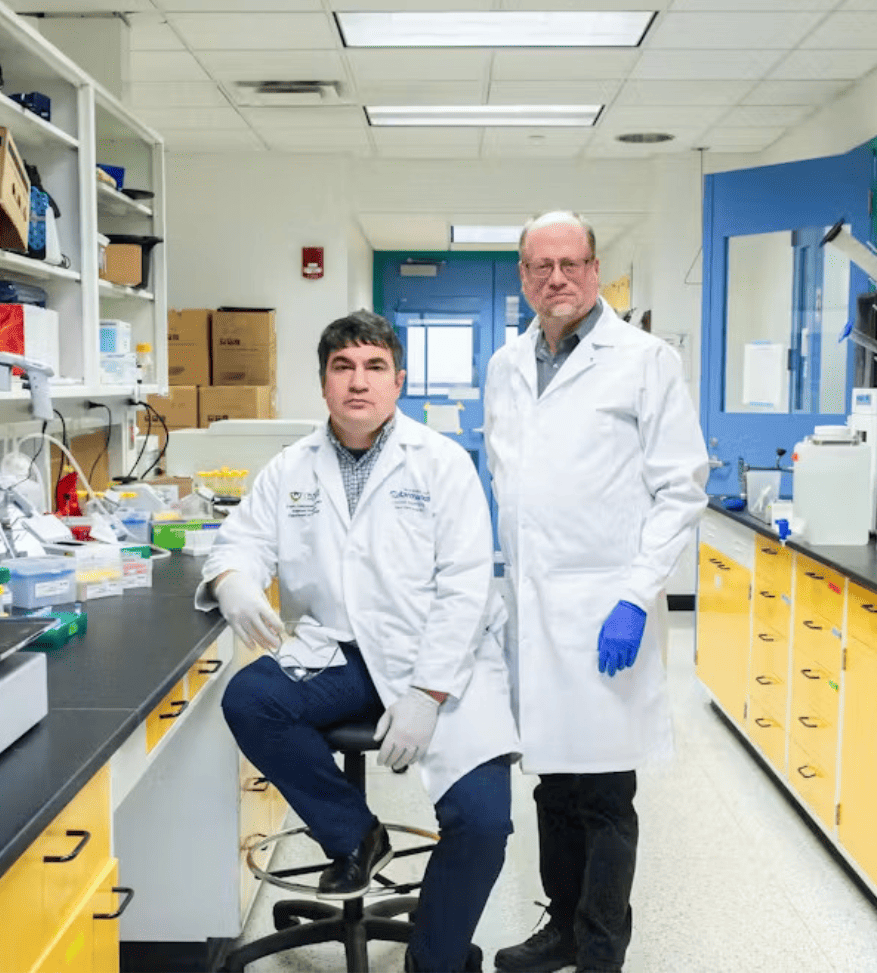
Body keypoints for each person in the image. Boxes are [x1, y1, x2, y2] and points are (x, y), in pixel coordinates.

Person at [198, 310, 519, 973]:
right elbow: (241, 540)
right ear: (323, 383)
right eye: (343, 367)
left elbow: (466, 587)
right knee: (250, 699)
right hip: (341, 653)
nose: (358, 382)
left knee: (484, 821)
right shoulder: (292, 467)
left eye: (374, 367)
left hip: (442, 656)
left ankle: (432, 960)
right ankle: (356, 834)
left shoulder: (442, 463)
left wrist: (429, 691)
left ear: (398, 380)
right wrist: (233, 580)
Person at [484, 212, 709, 973]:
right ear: (523, 275)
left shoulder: (645, 360)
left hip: (610, 605)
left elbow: (680, 488)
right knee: (553, 779)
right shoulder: (506, 363)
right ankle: (563, 929)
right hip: (534, 608)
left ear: (594, 267)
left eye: (571, 263)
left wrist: (636, 594)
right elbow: (507, 479)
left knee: (606, 790)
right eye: (540, 266)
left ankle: (602, 949)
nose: (557, 278)